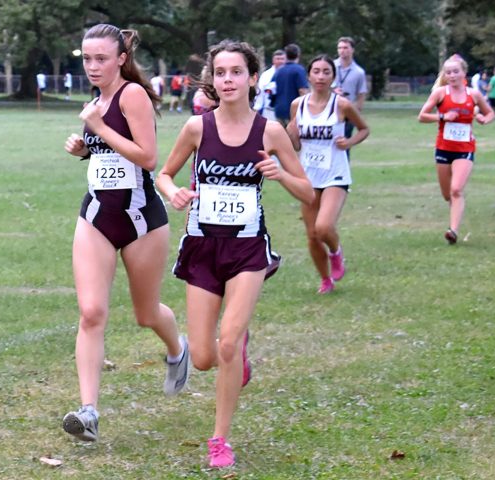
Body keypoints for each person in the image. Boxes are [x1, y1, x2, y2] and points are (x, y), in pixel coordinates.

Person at [155, 40, 314, 468]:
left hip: (247, 250)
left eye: (236, 72)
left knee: (227, 343)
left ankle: (219, 440)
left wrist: (280, 173)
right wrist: (174, 193)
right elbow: (164, 174)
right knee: (206, 357)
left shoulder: (270, 131)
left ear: (252, 78)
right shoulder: (196, 128)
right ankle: (233, 351)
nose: (228, 80)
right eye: (221, 72)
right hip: (203, 248)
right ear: (213, 78)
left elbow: (308, 193)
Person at [61, 24, 189, 443]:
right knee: (91, 312)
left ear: (120, 59)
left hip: (140, 219)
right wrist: (85, 149)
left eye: (101, 58)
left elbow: (148, 158)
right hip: (96, 214)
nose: (93, 66)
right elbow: (109, 156)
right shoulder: (95, 102)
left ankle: (177, 350)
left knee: (145, 313)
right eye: (87, 58)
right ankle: (89, 412)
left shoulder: (132, 95)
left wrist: (99, 127)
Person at [286, 54, 369, 293]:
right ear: (309, 75)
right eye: (316, 71)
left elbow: (364, 129)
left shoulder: (341, 104)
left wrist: (349, 141)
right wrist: (291, 133)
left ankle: (336, 252)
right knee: (312, 235)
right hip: (309, 176)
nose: (321, 76)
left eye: (326, 72)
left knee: (323, 227)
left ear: (333, 76)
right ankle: (325, 279)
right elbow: (297, 145)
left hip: (336, 174)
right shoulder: (297, 105)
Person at [418, 55, 495, 244]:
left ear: (464, 73)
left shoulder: (474, 94)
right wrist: (443, 116)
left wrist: (485, 119)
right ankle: (455, 212)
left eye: (455, 71)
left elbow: (490, 112)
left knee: (456, 189)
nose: (452, 75)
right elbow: (422, 116)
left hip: (465, 149)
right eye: (448, 72)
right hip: (443, 148)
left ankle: (453, 231)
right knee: (447, 195)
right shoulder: (440, 94)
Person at [333, 37, 369, 140]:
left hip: (347, 113)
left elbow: (361, 94)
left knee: (345, 143)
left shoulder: (358, 72)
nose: (342, 51)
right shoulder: (330, 67)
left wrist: (356, 113)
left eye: (345, 48)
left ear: (352, 50)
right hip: (330, 110)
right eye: (339, 48)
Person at [272, 43, 309, 126]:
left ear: (286, 55)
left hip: (279, 110)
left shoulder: (278, 71)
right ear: (298, 55)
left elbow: (271, 90)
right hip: (294, 112)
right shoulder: (299, 70)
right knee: (292, 138)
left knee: (280, 137)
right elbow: (303, 91)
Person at [254, 49, 286, 120]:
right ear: (273, 60)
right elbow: (260, 92)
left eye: (282, 59)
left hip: (286, 112)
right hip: (269, 111)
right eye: (278, 59)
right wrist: (257, 108)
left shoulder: (290, 74)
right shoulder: (266, 75)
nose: (280, 61)